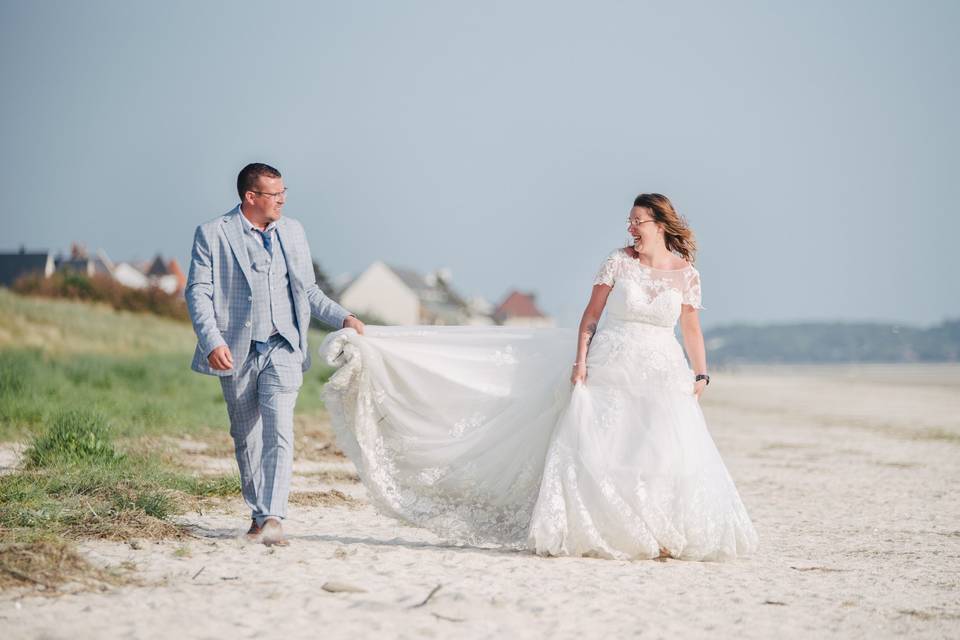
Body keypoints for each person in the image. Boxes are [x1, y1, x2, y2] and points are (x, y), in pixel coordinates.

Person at [322, 193, 757, 561]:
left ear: (660, 224)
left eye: (638, 221)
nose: (631, 228)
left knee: (661, 452)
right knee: (601, 448)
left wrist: (701, 372)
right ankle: (604, 530)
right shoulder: (617, 263)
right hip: (611, 363)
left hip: (662, 369)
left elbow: (691, 329)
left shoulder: (686, 273)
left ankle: (661, 533)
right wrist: (581, 362)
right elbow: (590, 318)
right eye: (629, 221)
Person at [186, 163, 365, 546]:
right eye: (274, 194)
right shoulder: (213, 234)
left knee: (280, 429)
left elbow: (309, 292)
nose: (282, 200)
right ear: (251, 197)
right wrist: (212, 341)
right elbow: (198, 293)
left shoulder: (294, 231)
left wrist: (343, 318)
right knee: (246, 436)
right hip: (235, 350)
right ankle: (257, 513)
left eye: (285, 192)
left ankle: (272, 517)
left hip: (284, 346)